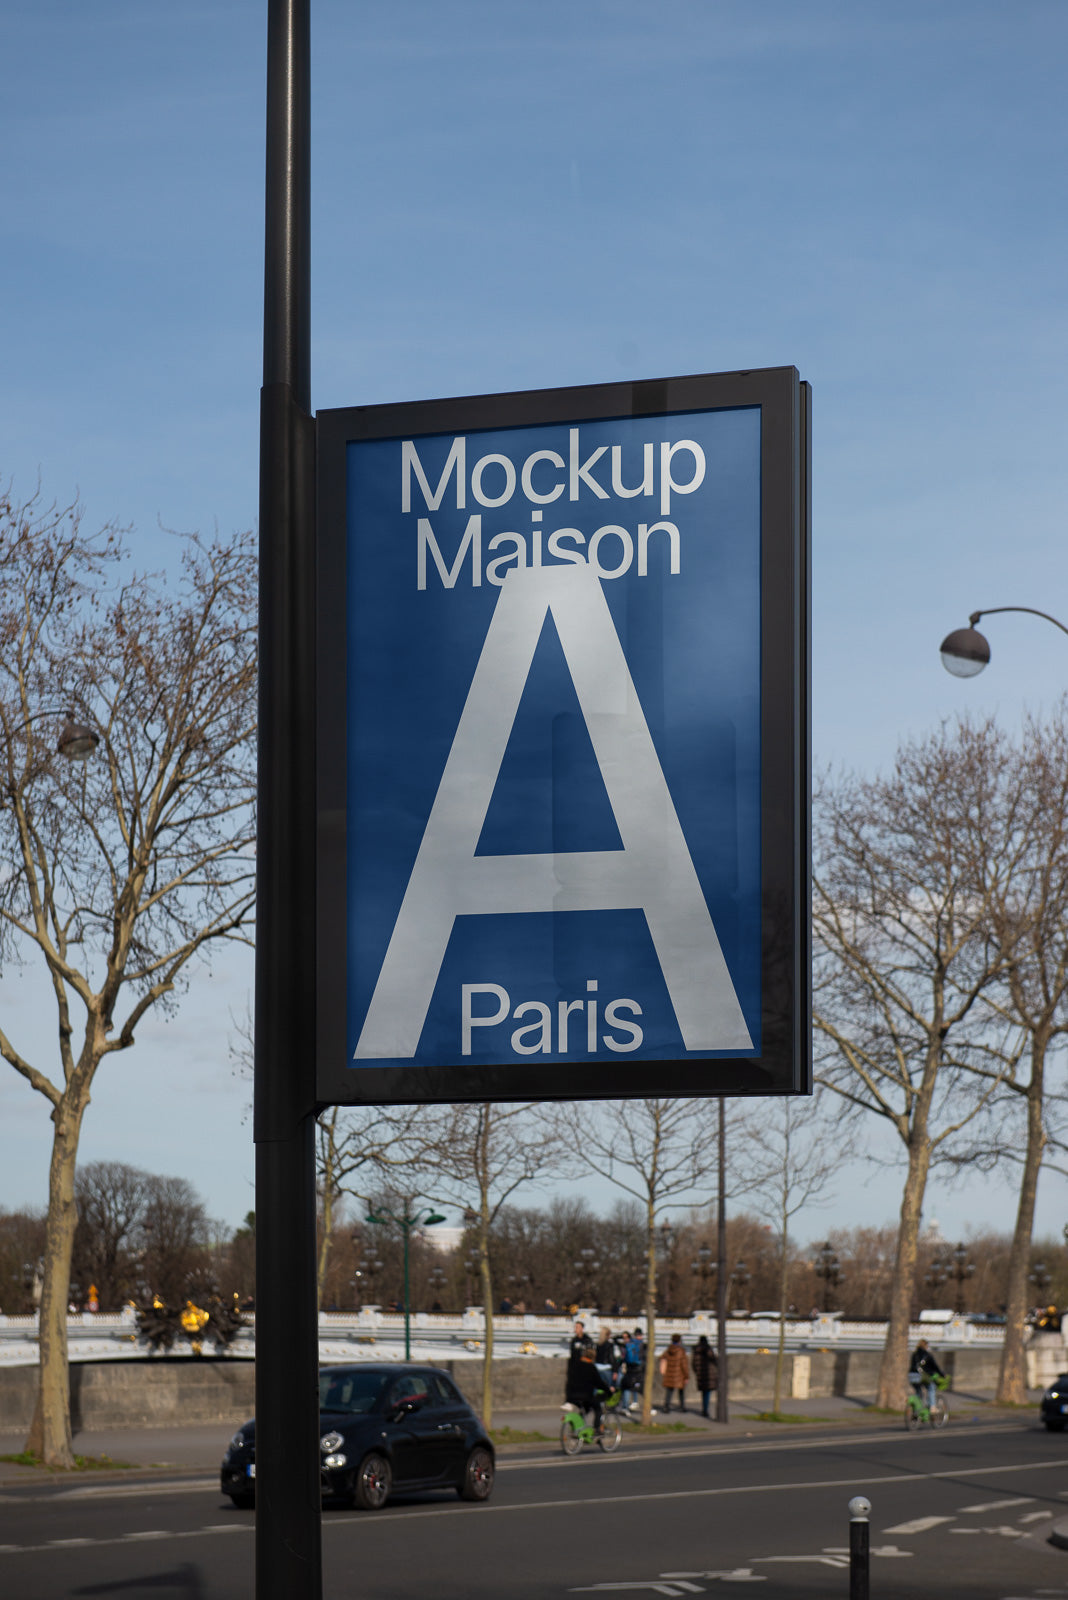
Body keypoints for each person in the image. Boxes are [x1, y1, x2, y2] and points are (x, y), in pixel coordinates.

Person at [565, 1347, 611, 1428]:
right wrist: (609, 1392)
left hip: (572, 1395)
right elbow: (599, 1383)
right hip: (585, 1395)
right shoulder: (591, 1367)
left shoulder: (575, 1366)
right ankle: (597, 1429)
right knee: (598, 1409)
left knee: (586, 1409)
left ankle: (576, 1427)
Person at [908, 1338, 945, 1410]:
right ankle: (932, 1407)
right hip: (920, 1376)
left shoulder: (914, 1354)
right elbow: (935, 1367)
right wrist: (942, 1374)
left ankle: (917, 1411)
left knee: (918, 1392)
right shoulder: (927, 1355)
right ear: (926, 1346)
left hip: (911, 1376)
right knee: (931, 1387)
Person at [659, 1331, 690, 1412]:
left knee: (669, 1392)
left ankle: (666, 1406)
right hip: (679, 1374)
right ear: (679, 1341)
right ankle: (682, 1406)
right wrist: (686, 1376)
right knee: (681, 1391)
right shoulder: (681, 1351)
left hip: (669, 1374)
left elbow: (661, 1357)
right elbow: (684, 1365)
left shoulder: (668, 1350)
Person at [692, 1334, 718, 1418]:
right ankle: (705, 1410)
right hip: (708, 1374)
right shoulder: (708, 1349)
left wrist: (697, 1371)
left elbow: (694, 1364)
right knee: (707, 1392)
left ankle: (704, 1408)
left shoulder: (696, 1351)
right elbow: (713, 1359)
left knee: (703, 1393)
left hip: (700, 1374)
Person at [621, 1327, 644, 1412]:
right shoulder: (641, 1344)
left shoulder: (630, 1344)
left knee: (629, 1385)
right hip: (638, 1367)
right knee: (636, 1384)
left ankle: (627, 1405)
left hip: (629, 1366)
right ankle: (634, 1401)